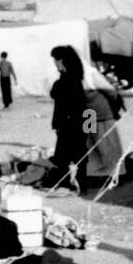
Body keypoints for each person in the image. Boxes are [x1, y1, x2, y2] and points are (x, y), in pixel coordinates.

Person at [49, 45, 89, 192]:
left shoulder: (67, 80)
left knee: (63, 156)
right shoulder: (75, 77)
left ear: (61, 60)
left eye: (55, 60)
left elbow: (58, 96)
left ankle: (65, 184)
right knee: (79, 153)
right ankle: (80, 184)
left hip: (70, 123)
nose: (54, 63)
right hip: (79, 122)